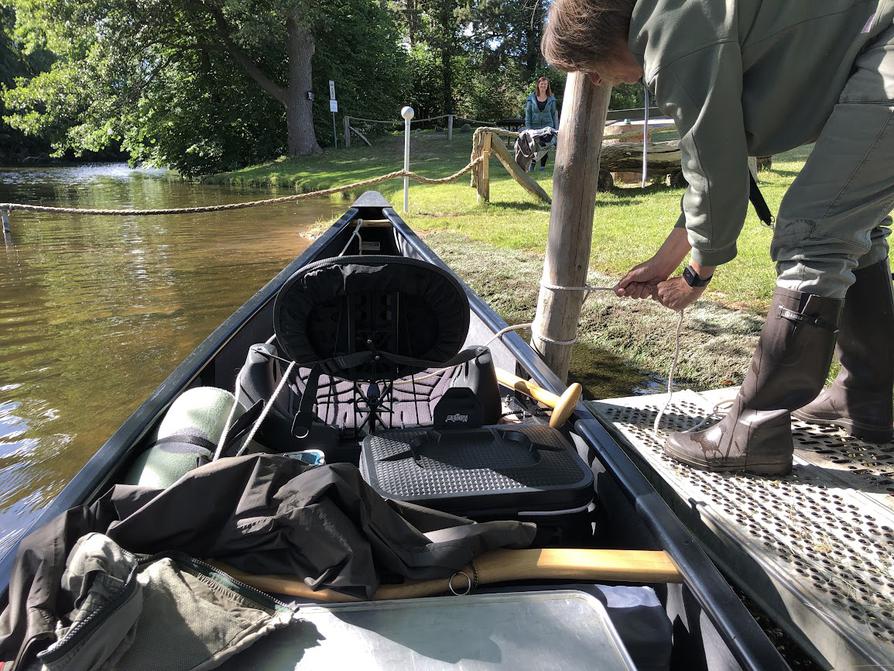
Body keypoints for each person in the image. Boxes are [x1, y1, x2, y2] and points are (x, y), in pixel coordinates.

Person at [542, 0, 894, 475]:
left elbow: (717, 179)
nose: (598, 81)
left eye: (590, 68)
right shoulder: (676, 15)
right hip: (879, 46)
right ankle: (865, 396)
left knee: (814, 234)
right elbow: (715, 162)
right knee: (855, 230)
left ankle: (753, 431)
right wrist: (665, 262)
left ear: (603, 38)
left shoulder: (671, 41)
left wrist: (695, 275)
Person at [524, 76, 559, 170]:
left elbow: (553, 114)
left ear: (547, 86)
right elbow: (528, 114)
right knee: (535, 147)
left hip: (548, 126)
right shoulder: (531, 98)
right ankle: (533, 163)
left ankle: (542, 167)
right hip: (534, 127)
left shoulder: (551, 99)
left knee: (545, 146)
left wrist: (556, 129)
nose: (543, 85)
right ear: (538, 85)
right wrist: (528, 128)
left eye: (545, 84)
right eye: (542, 84)